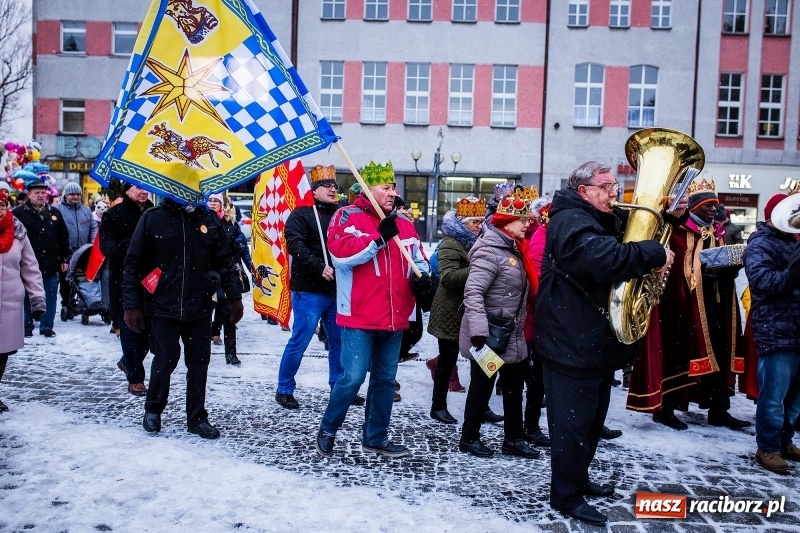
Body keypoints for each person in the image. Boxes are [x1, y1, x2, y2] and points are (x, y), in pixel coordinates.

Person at [536, 161, 676, 526]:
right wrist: (654, 254)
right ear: (585, 191)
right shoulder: (569, 221)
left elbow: (628, 239)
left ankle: (577, 481)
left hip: (589, 345)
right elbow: (604, 258)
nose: (615, 192)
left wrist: (667, 218)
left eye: (614, 185)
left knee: (590, 424)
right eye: (607, 186)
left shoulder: (592, 216)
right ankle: (566, 495)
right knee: (572, 428)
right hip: (570, 345)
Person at [315, 161, 429, 458]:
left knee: (384, 380)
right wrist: (379, 238)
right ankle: (328, 428)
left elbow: (418, 259)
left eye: (393, 187)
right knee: (352, 378)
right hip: (359, 315)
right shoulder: (346, 215)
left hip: (394, 317)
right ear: (368, 188)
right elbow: (341, 255)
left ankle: (375, 436)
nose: (393, 193)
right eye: (386, 188)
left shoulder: (404, 223)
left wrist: (425, 278)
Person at [629, 177, 749, 431]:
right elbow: (672, 270)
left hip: (715, 305)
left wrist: (728, 270)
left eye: (715, 205)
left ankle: (720, 409)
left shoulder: (718, 232)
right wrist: (701, 272)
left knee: (719, 352)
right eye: (707, 204)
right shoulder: (676, 232)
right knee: (676, 355)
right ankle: (666, 409)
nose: (713, 209)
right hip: (680, 308)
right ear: (693, 206)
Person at [123, 197, 243, 439]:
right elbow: (133, 263)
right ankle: (153, 409)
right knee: (166, 358)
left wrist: (234, 296)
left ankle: (197, 417)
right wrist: (131, 305)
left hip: (199, 304)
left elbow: (225, 261)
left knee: (199, 362)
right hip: (161, 304)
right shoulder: (153, 217)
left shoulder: (208, 219)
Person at [458, 188, 540, 461]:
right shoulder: (489, 251)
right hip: (490, 337)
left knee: (515, 388)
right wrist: (479, 331)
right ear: (506, 223)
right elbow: (473, 293)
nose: (528, 224)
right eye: (523, 220)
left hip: (511, 335)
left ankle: (513, 439)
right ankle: (469, 438)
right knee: (481, 389)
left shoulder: (515, 249)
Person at [276, 165, 357, 408]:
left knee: (338, 341)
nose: (333, 189)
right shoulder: (300, 215)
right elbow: (296, 245)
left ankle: (339, 388)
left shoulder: (341, 214)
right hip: (309, 290)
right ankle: (284, 388)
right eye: (327, 186)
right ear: (314, 190)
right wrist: (318, 266)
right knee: (300, 341)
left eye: (335, 186)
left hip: (336, 291)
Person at [744, 193, 800, 474]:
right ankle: (767, 447)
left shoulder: (794, 243)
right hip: (777, 329)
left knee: (794, 398)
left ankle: (784, 441)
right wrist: (793, 274)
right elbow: (762, 282)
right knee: (774, 396)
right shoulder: (760, 244)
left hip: (796, 328)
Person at [427, 197, 485, 425]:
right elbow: (449, 278)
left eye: (481, 221)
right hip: (451, 311)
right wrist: (479, 268)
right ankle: (438, 406)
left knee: (480, 361)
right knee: (447, 362)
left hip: (472, 311)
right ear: (463, 223)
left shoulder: (479, 241)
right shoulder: (451, 243)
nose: (480, 226)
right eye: (475, 222)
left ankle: (483, 405)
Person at [100, 183, 153, 396]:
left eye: (145, 188)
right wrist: (134, 244)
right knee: (131, 330)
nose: (143, 191)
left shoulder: (153, 212)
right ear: (127, 191)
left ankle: (127, 362)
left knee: (150, 334)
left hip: (151, 280)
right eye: (137, 187)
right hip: (123, 281)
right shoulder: (113, 215)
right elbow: (107, 247)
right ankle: (135, 378)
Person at [0, 188, 46, 412]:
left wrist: (37, 298)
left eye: (1, 205)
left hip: (9, 304)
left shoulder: (18, 232)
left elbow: (30, 267)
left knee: (1, 354)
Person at [12, 181, 70, 338]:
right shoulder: (18, 213)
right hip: (26, 264)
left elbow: (63, 237)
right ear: (29, 194)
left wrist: (65, 258)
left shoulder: (55, 213)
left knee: (50, 295)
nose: (40, 195)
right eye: (36, 192)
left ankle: (46, 326)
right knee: (25, 295)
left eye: (43, 193)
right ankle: (26, 326)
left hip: (50, 262)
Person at [207, 193, 252, 366]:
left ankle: (231, 353)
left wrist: (251, 268)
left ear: (222, 204)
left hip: (227, 272)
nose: (212, 203)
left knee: (228, 312)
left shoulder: (230, 224)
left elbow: (241, 248)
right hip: (207, 274)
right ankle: (209, 334)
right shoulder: (201, 221)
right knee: (208, 309)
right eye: (209, 200)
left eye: (216, 201)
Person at [57, 181, 97, 318]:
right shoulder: (58, 210)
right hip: (67, 252)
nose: (75, 197)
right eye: (72, 194)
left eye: (78, 194)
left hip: (84, 251)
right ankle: (67, 302)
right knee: (66, 279)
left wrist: (92, 244)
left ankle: (83, 301)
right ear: (66, 195)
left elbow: (93, 228)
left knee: (83, 278)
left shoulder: (86, 211)